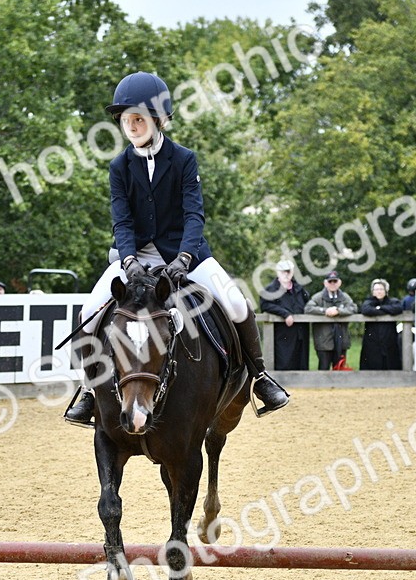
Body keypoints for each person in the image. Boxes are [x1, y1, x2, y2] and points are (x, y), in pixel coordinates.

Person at [63, 72, 289, 426]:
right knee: (88, 313)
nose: (131, 126)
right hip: (135, 256)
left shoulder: (184, 159)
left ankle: (260, 378)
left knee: (236, 304)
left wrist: (184, 257)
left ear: (160, 120)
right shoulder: (119, 166)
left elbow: (193, 214)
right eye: (125, 120)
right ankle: (89, 392)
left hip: (186, 253)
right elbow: (122, 221)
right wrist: (129, 260)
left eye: (138, 119)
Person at [259, 260, 310, 371]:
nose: (286, 274)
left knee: (301, 365)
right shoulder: (270, 289)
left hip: (300, 333)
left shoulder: (300, 289)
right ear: (278, 272)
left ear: (292, 272)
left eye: (288, 271)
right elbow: (265, 305)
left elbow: (308, 305)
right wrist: (285, 314)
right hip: (282, 334)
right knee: (283, 364)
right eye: (283, 271)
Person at [304, 270, 356, 370]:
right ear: (325, 283)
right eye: (330, 281)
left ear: (339, 282)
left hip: (341, 340)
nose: (332, 283)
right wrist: (325, 311)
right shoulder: (318, 297)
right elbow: (308, 308)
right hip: (324, 342)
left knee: (340, 368)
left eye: (335, 281)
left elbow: (353, 308)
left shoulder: (344, 297)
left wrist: (338, 311)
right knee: (323, 368)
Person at [359, 278, 404, 370]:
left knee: (391, 364)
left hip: (389, 340)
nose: (379, 292)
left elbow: (398, 308)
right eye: (376, 289)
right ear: (372, 291)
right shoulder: (368, 302)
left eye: (381, 289)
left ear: (386, 290)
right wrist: (386, 310)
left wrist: (380, 308)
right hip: (372, 341)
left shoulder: (393, 301)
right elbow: (366, 310)